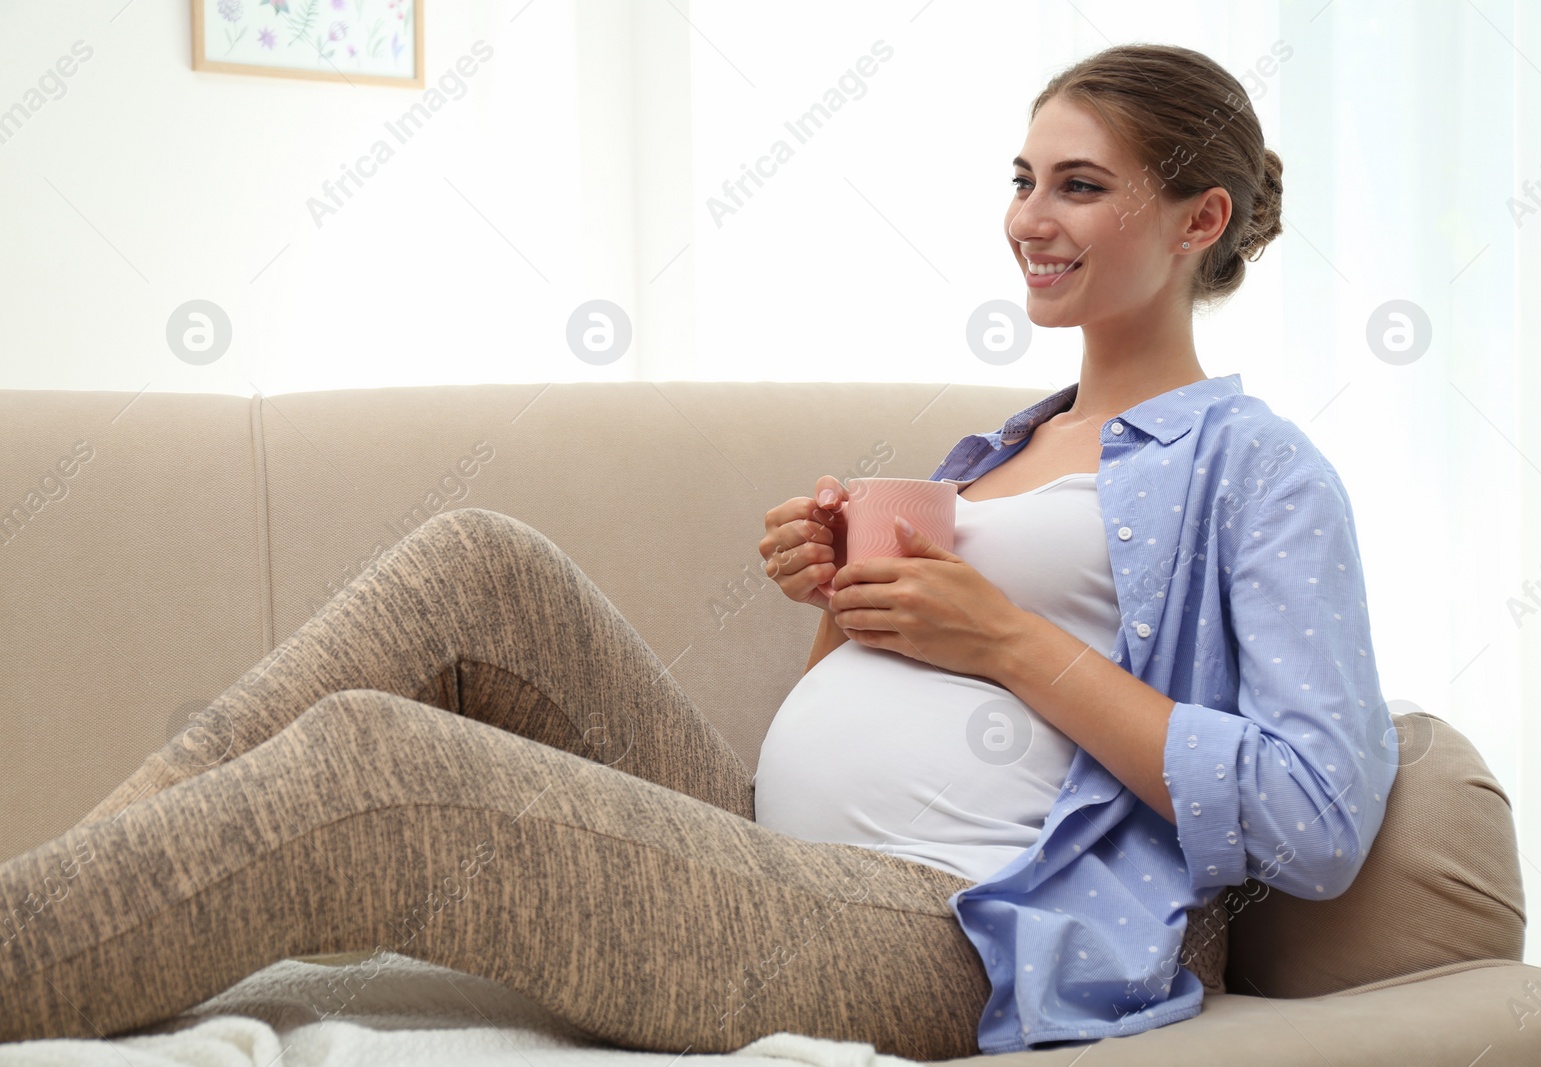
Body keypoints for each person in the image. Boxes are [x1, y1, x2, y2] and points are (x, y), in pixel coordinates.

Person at [0, 41, 1392, 1057]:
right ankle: (72, 896)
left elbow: (1317, 818)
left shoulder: (1255, 469)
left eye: (1079, 186)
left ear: (1198, 219)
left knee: (380, 769)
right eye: (1024, 179)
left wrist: (1002, 637)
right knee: (479, 563)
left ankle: (36, 938)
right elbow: (863, 711)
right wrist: (843, 604)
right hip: (774, 849)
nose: (1029, 218)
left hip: (953, 925)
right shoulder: (1001, 447)